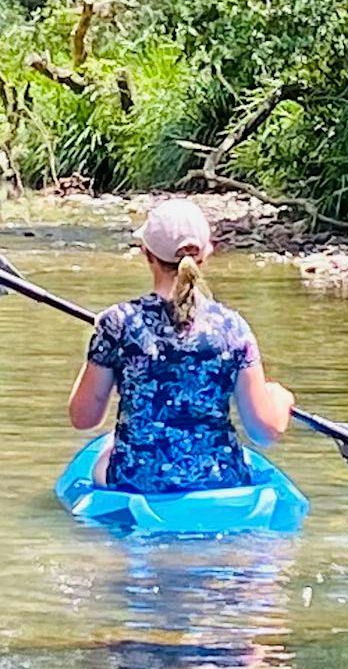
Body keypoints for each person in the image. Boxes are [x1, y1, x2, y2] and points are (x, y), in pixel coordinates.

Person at [68, 198, 294, 494]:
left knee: (105, 452)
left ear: (146, 253)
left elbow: (83, 418)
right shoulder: (233, 327)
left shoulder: (117, 322)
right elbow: (263, 432)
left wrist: (100, 345)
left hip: (137, 480)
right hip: (220, 480)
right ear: (207, 254)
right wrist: (280, 399)